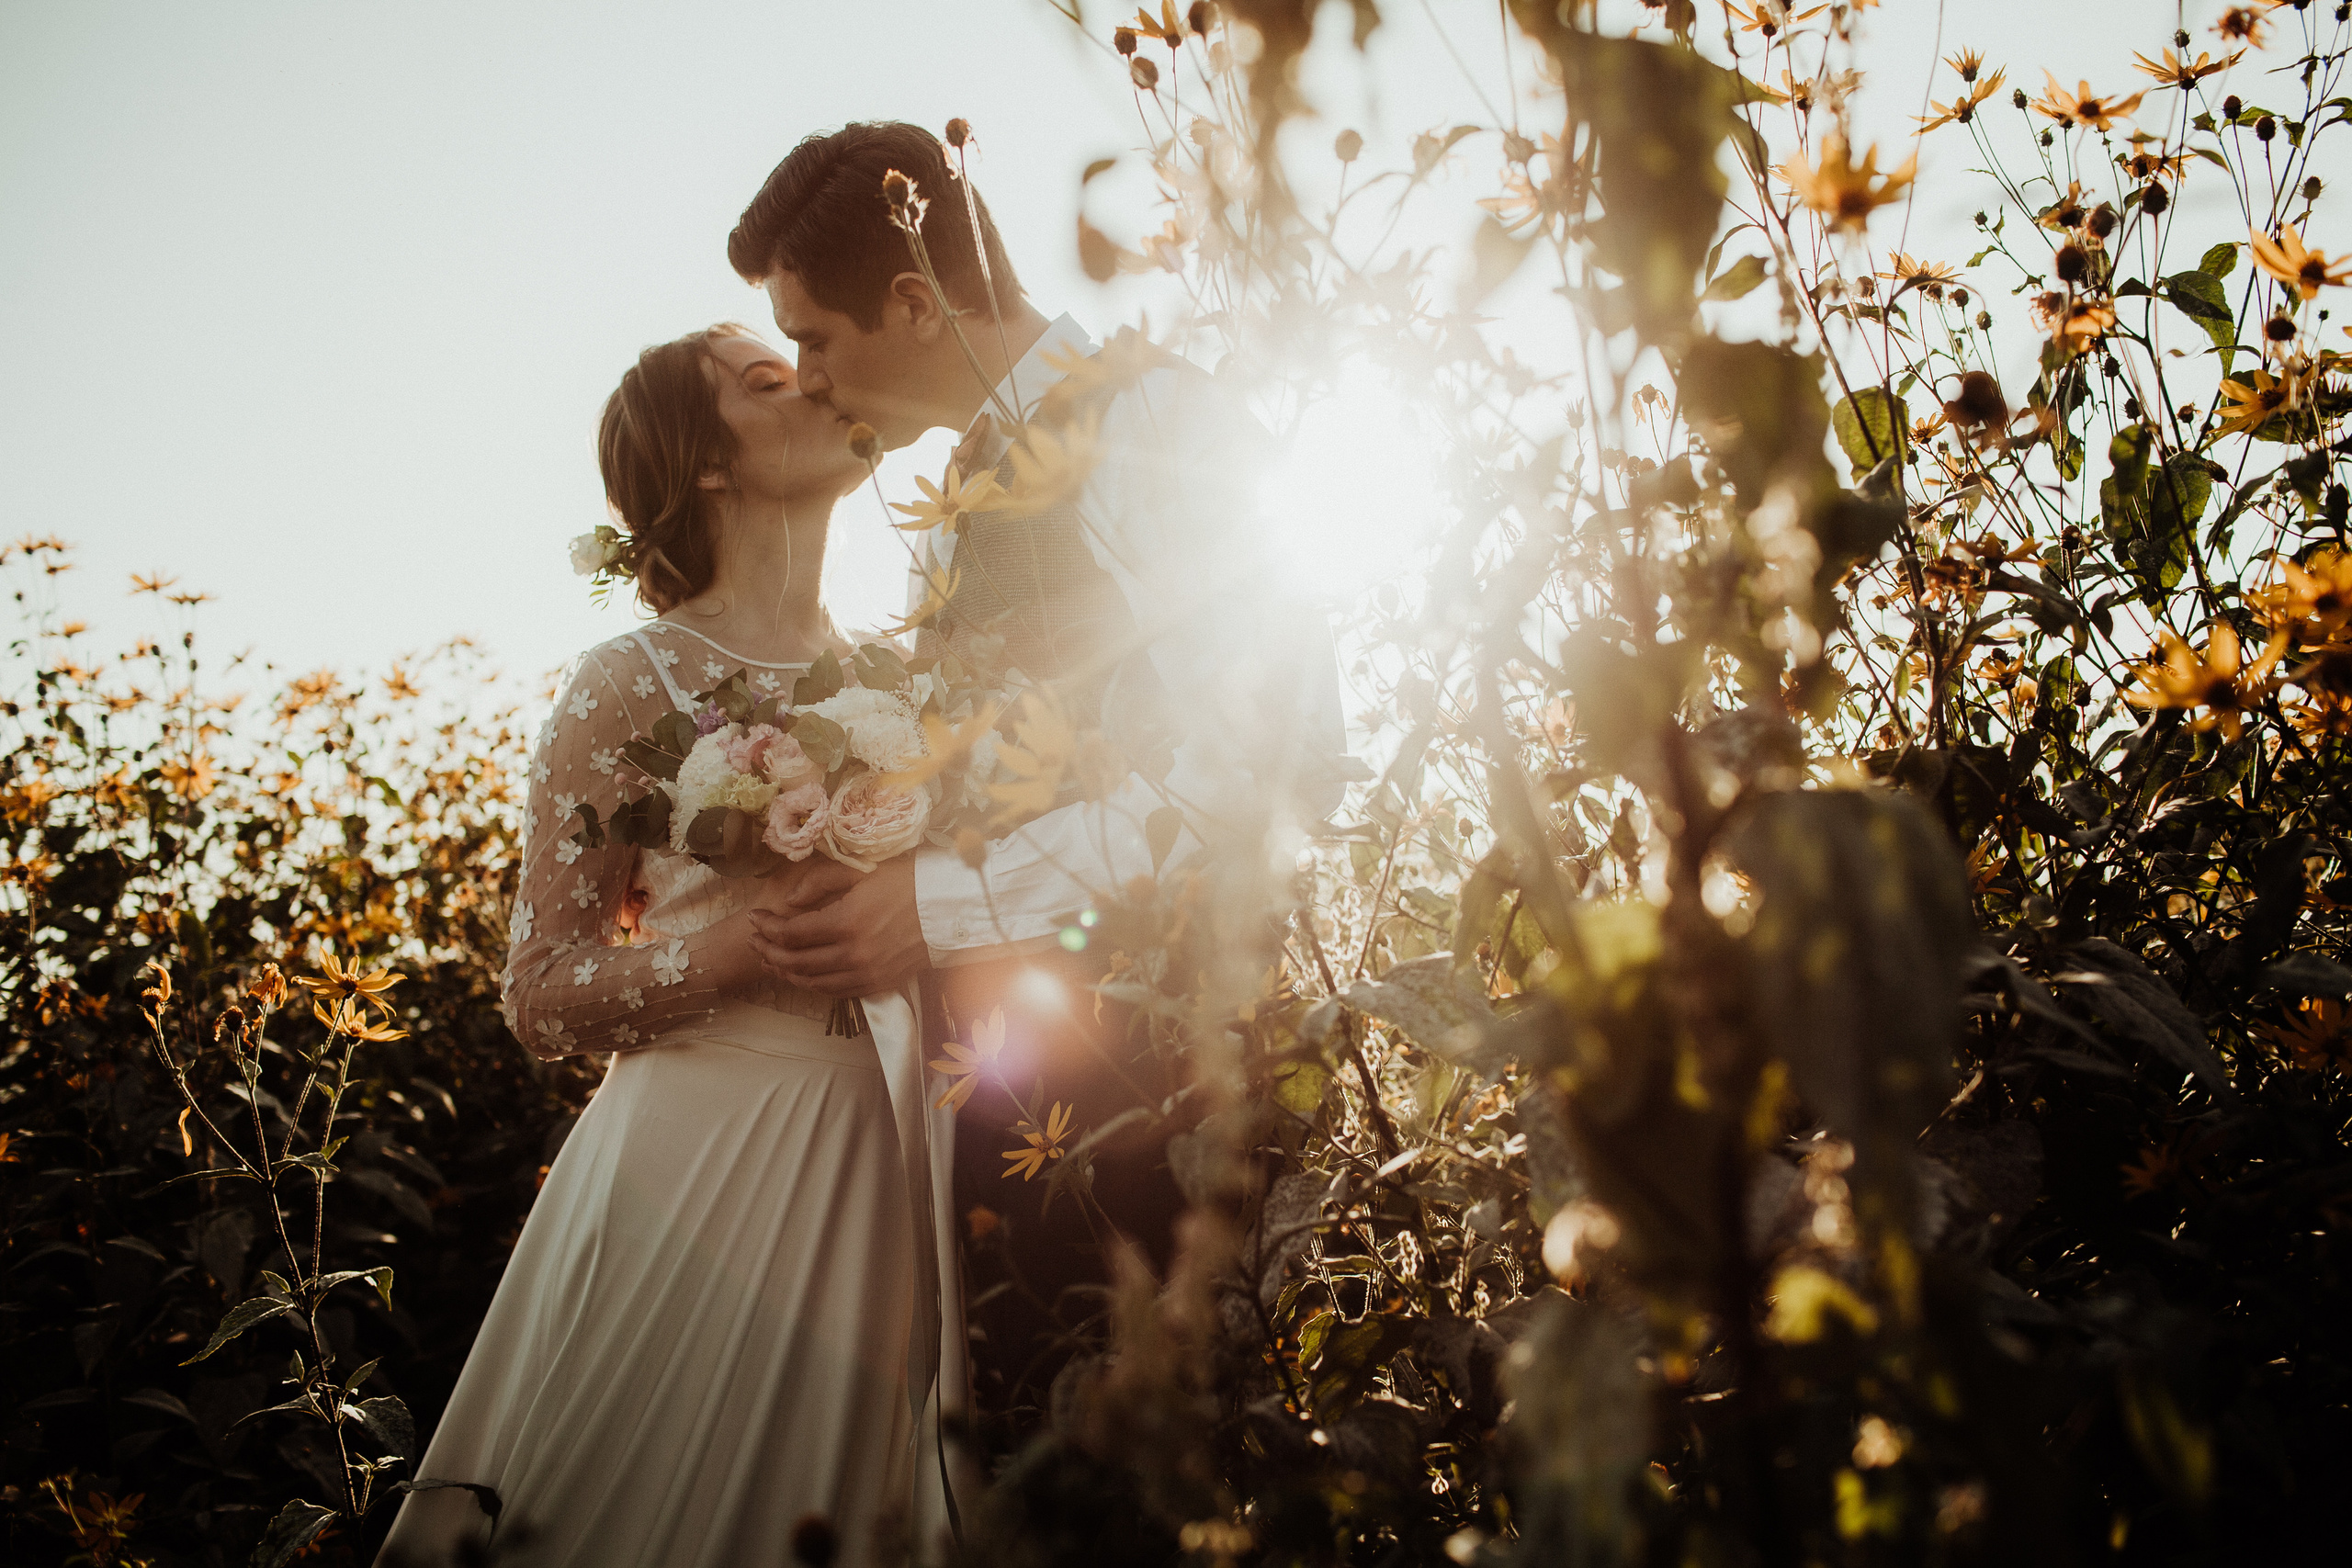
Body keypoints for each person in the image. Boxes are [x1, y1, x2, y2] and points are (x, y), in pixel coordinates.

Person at [726, 122, 1348, 1445]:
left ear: (911, 299)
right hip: (1011, 1090)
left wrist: (934, 906)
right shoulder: (960, 495)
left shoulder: (1156, 421)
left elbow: (1262, 772)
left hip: (1178, 1082)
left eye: (815, 338)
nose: (805, 377)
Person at [377, 325, 964, 1566]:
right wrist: (743, 948)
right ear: (704, 465)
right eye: (766, 380)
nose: (812, 382)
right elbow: (542, 996)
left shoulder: (910, 678)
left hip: (886, 1148)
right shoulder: (626, 683)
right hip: (693, 1162)